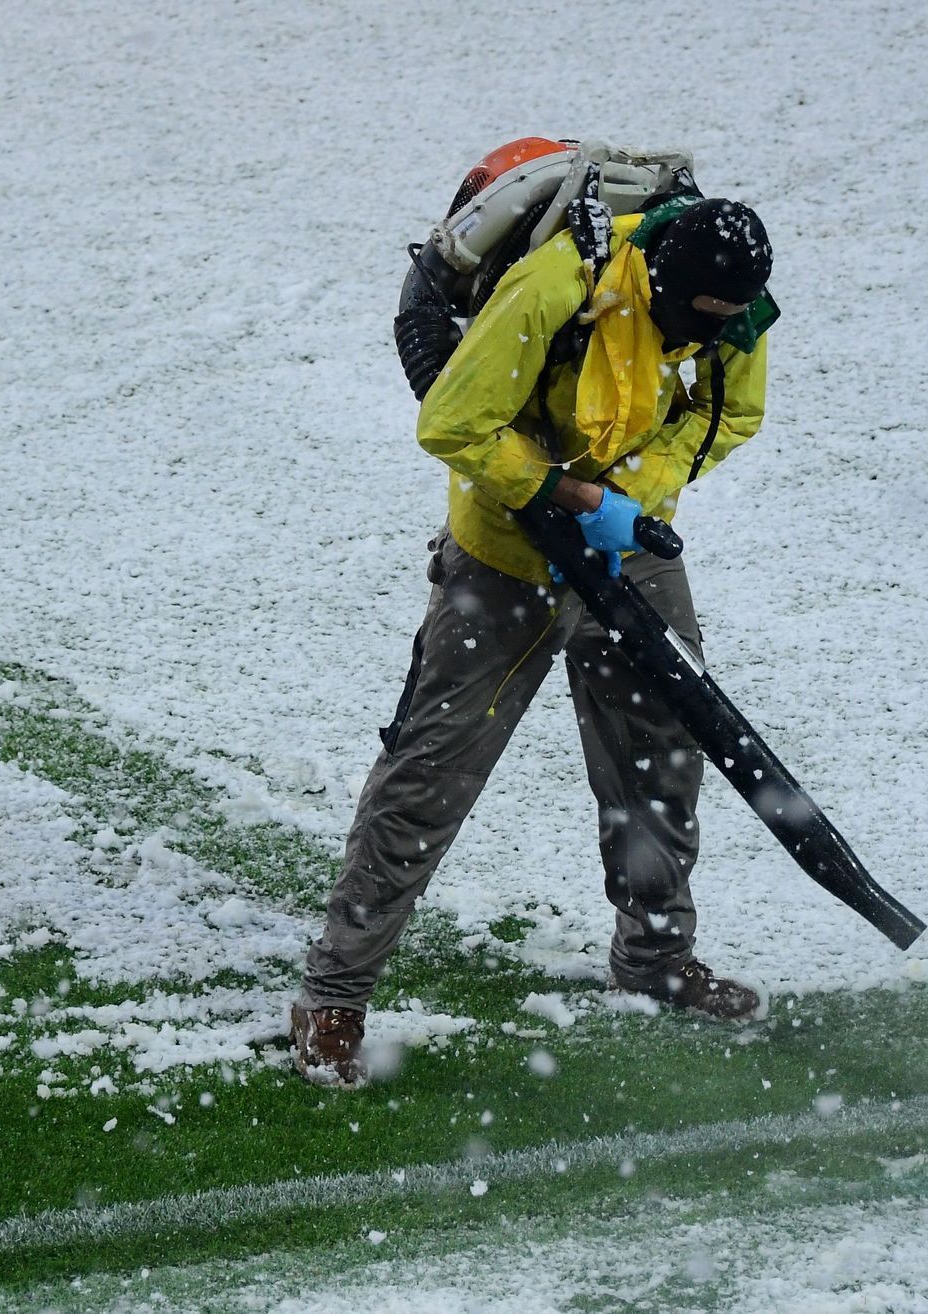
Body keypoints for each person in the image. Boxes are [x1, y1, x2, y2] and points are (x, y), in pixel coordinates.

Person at [291, 195, 776, 1087]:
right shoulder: (558, 287)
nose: (699, 343)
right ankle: (335, 994)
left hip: (629, 550)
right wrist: (577, 499)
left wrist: (632, 492)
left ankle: (655, 958)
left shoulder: (732, 308)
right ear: (661, 284)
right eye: (687, 325)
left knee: (661, 756)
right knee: (434, 770)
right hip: (506, 557)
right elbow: (450, 422)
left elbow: (727, 414)